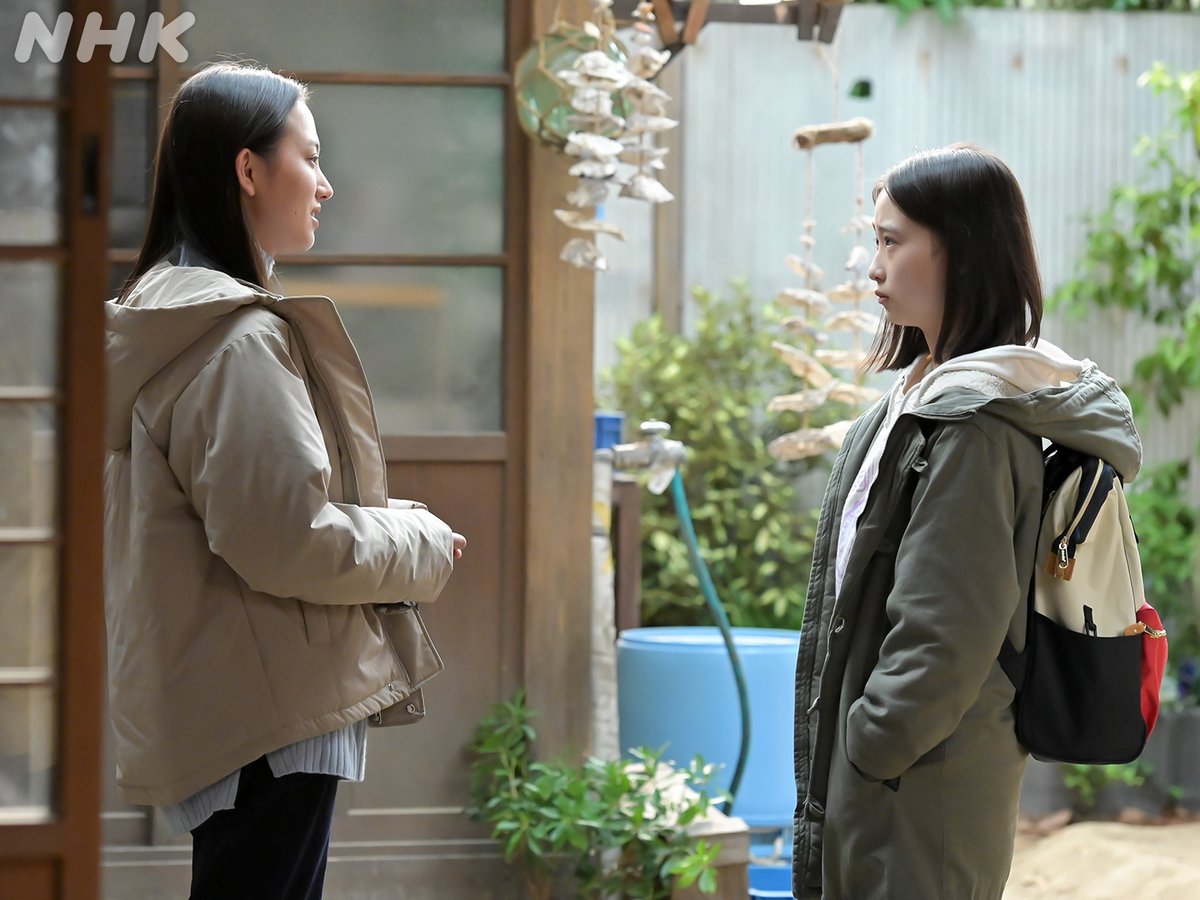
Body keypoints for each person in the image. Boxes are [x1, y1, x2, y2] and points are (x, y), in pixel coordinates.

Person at [104, 62, 466, 900]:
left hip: (227, 694)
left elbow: (258, 514)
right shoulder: (235, 341)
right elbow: (286, 538)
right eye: (310, 156)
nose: (325, 184)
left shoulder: (165, 314)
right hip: (269, 709)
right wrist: (419, 541)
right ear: (248, 169)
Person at [791, 144, 1142, 899]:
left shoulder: (973, 428)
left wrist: (871, 745)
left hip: (922, 789)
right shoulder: (920, 399)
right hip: (896, 782)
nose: (871, 266)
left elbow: (944, 633)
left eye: (891, 241)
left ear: (961, 250)